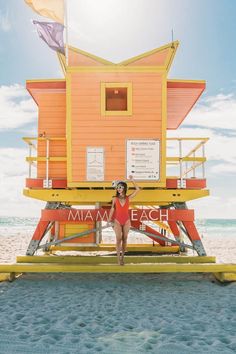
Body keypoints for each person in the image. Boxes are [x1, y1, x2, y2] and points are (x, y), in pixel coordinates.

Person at [107, 175, 140, 265]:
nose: (119, 189)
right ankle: (118, 259)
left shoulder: (128, 198)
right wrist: (109, 220)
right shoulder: (115, 198)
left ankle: (122, 258)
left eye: (121, 187)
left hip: (126, 221)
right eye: (118, 188)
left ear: (124, 188)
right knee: (118, 239)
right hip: (117, 220)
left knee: (125, 239)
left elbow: (138, 190)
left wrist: (132, 180)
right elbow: (112, 209)